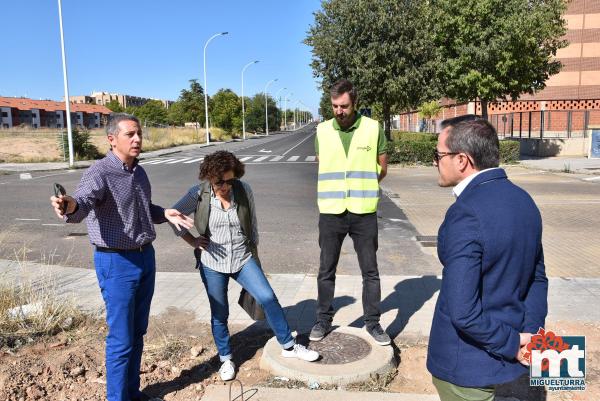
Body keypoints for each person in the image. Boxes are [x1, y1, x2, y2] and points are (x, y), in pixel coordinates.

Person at [50, 113, 194, 401]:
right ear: (112, 139)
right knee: (121, 339)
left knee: (138, 331)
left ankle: (132, 392)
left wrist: (163, 213)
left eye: (139, 133)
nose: (137, 139)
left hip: (145, 258)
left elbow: (142, 209)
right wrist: (68, 206)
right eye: (130, 134)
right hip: (116, 263)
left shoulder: (138, 172)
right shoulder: (100, 172)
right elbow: (83, 203)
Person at [170, 150, 319, 381]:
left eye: (230, 180)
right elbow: (174, 216)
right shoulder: (198, 194)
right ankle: (226, 358)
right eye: (220, 182)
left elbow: (253, 224)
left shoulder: (243, 189)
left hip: (242, 258)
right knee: (220, 313)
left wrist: (254, 252)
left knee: (268, 297)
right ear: (209, 177)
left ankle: (289, 347)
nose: (226, 186)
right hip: (212, 263)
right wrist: (193, 241)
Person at [427, 116, 548, 401]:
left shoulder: (465, 213)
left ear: (461, 160)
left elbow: (463, 311)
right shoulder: (524, 201)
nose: (435, 162)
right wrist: (529, 334)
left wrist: (513, 342)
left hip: (466, 364)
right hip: (506, 354)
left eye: (438, 155)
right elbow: (537, 277)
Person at [311, 79, 390, 346]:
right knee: (326, 270)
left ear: (354, 103)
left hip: (363, 211)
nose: (339, 111)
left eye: (344, 106)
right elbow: (324, 165)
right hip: (331, 212)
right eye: (334, 106)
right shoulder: (322, 131)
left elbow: (382, 168)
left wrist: (362, 187)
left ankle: (373, 323)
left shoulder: (372, 128)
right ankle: (323, 320)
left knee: (370, 271)